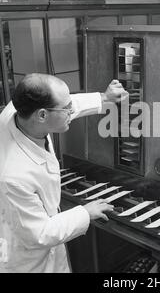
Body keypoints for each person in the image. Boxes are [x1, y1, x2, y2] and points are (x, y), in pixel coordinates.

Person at [0, 73, 127, 273]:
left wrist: (104, 97)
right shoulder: (14, 175)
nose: (71, 110)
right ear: (42, 115)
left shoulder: (20, 112)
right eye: (66, 108)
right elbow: (38, 234)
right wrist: (85, 212)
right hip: (29, 261)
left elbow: (62, 107)